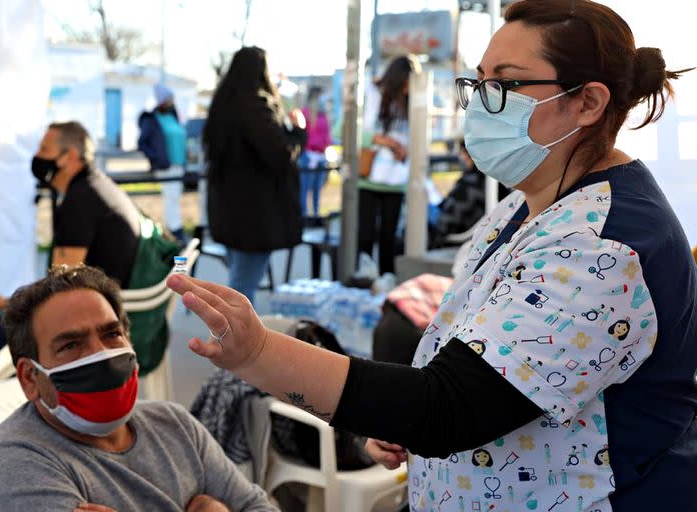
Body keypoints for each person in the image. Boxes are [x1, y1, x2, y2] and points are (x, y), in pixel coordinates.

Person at [167, 1, 697, 509]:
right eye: (478, 82)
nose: (483, 102)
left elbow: (447, 408)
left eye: (505, 84)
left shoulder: (604, 246)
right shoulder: (528, 205)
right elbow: (471, 355)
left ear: (587, 101)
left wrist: (260, 353)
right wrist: (388, 417)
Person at [0, 265, 275, 512]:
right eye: (71, 344)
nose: (100, 354)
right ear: (29, 378)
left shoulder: (175, 426)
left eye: (111, 334)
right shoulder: (8, 469)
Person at [202, 46, 306, 304]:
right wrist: (299, 131)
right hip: (255, 216)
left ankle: (232, 340)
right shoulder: (256, 107)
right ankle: (232, 342)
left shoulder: (222, 107)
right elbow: (280, 152)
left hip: (229, 211)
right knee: (242, 290)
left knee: (240, 280)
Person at [32, 121, 140, 288]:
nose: (37, 155)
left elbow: (61, 285)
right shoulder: (98, 183)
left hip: (99, 305)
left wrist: (5, 302)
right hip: (114, 297)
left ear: (71, 156)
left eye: (44, 149)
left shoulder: (79, 201)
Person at [358, 55, 420, 275]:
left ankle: (386, 285)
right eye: (406, 82)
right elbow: (344, 131)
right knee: (364, 238)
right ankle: (362, 283)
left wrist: (404, 150)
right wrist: (386, 141)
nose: (408, 88)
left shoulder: (413, 103)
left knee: (389, 240)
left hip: (396, 182)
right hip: (368, 179)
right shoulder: (373, 95)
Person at [427, 141, 510, 248]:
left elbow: (448, 222)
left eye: (463, 153)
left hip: (455, 238)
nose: (460, 157)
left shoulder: (470, 184)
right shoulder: (495, 180)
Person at [138, 83, 187, 241]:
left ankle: (174, 231)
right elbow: (142, 142)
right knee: (171, 199)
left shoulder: (173, 117)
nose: (172, 101)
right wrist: (156, 157)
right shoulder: (152, 119)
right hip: (165, 167)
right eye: (169, 98)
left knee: (175, 199)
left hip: (178, 165)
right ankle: (175, 233)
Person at [299, 86, 332, 217]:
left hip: (321, 156)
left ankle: (316, 213)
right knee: (305, 188)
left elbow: (327, 135)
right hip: (308, 155)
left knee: (318, 188)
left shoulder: (323, 115)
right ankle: (304, 214)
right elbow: (302, 136)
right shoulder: (305, 113)